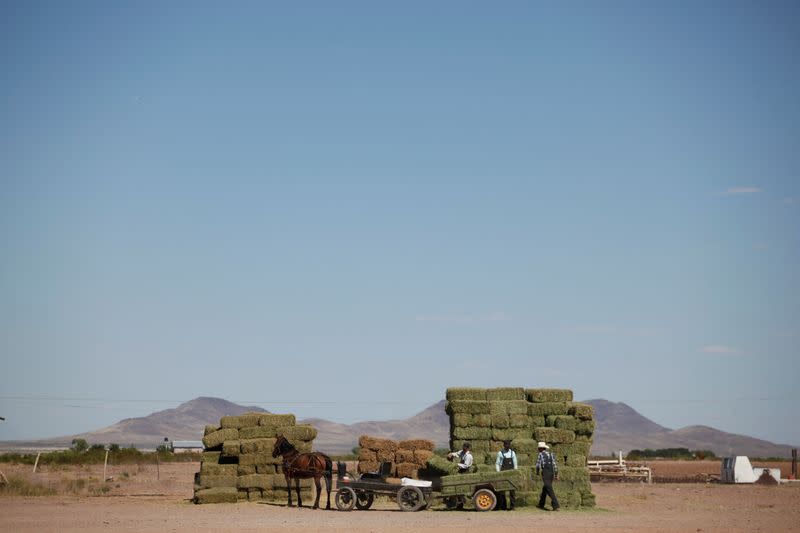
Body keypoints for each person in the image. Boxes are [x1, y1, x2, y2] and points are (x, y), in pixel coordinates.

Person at [535, 441, 560, 511]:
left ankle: (556, 505)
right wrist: (556, 474)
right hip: (551, 473)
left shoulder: (540, 454)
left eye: (539, 448)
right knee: (545, 488)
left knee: (549, 488)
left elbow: (537, 465)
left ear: (541, 448)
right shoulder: (551, 454)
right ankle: (541, 504)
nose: (538, 450)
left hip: (545, 472)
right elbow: (555, 465)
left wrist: (537, 472)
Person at [495, 439, 518, 510]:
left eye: (508, 445)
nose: (507, 446)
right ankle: (503, 506)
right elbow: (497, 463)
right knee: (502, 491)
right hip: (503, 474)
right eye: (506, 445)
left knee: (512, 491)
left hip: (511, 474)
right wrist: (498, 472)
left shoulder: (512, 453)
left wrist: (515, 472)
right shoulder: (500, 453)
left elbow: (515, 464)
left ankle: (512, 506)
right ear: (504, 445)